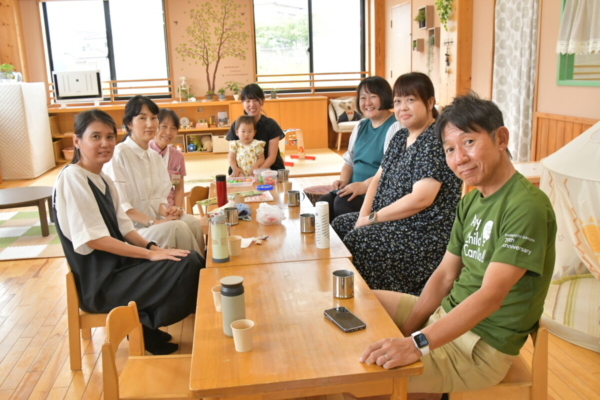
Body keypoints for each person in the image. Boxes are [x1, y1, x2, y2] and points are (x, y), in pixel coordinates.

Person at [358, 94, 557, 399]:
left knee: (352, 379)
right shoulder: (472, 201)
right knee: (362, 302)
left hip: (480, 347)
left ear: (501, 139)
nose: (459, 158)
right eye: (450, 149)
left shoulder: (526, 207)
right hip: (446, 317)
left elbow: (490, 297)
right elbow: (445, 275)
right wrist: (410, 332)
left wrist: (416, 344)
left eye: (469, 142)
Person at [53, 109, 203, 355]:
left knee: (188, 259)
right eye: (96, 137)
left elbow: (124, 229)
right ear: (77, 141)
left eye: (110, 137)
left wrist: (153, 248)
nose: (105, 143)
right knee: (187, 265)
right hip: (101, 284)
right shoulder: (73, 177)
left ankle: (146, 326)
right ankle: (146, 325)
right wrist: (149, 255)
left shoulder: (103, 180)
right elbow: (95, 239)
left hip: (120, 270)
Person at [332, 73, 462, 295]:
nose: (403, 107)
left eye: (410, 100)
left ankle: (378, 299)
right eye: (398, 101)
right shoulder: (400, 136)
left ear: (429, 102)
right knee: (340, 225)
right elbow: (377, 179)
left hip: (422, 230)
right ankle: (350, 291)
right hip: (393, 220)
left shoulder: (434, 141)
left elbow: (421, 199)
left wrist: (372, 219)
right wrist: (363, 216)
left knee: (360, 239)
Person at [103, 96, 205, 254]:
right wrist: (155, 222)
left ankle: (202, 265)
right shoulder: (119, 154)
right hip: (132, 230)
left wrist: (168, 211)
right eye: (142, 118)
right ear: (129, 123)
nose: (150, 124)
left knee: (192, 222)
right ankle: (193, 267)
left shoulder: (154, 157)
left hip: (154, 222)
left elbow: (155, 200)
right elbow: (123, 208)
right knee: (177, 228)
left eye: (153, 118)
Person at [318, 76, 401, 221]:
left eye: (373, 96)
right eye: (363, 98)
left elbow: (392, 171)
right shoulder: (360, 125)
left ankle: (354, 235)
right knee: (324, 203)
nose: (367, 103)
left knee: (342, 203)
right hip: (355, 188)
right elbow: (349, 162)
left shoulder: (395, 127)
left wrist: (364, 185)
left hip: (377, 192)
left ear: (385, 97)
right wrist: (343, 182)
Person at [225, 83, 285, 172]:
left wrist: (257, 172)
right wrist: (237, 170)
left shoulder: (271, 124)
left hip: (269, 170)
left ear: (262, 101)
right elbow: (231, 154)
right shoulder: (236, 124)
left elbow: (272, 157)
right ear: (242, 103)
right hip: (242, 171)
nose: (252, 104)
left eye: (256, 100)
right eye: (248, 101)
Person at [149, 108, 186, 208]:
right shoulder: (144, 152)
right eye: (164, 126)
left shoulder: (177, 157)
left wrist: (177, 210)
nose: (168, 132)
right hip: (149, 209)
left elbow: (179, 189)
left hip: (170, 208)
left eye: (173, 128)